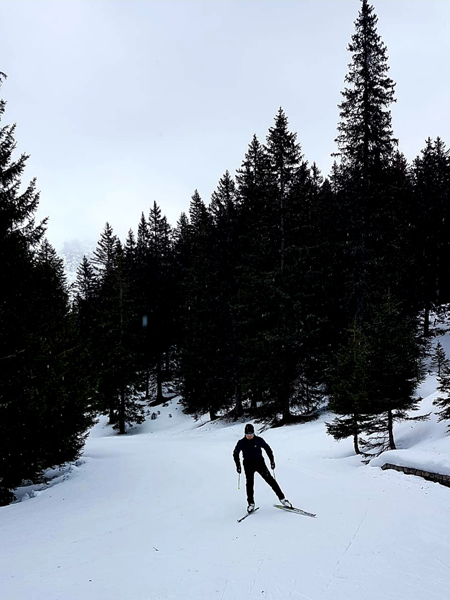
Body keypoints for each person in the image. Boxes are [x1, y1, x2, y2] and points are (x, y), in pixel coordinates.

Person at [233, 423, 292, 512]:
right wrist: (238, 465)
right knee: (249, 484)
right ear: (245, 434)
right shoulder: (241, 442)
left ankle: (283, 499)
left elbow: (268, 449)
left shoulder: (258, 440)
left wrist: (272, 461)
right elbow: (235, 453)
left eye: (251, 434)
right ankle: (251, 504)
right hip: (248, 464)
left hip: (259, 463)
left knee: (271, 481)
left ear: (254, 433)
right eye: (247, 435)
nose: (249, 436)